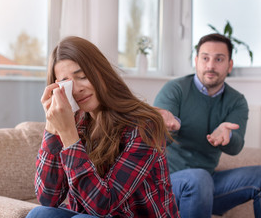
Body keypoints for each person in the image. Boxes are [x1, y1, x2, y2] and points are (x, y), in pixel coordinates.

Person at [26, 36, 180, 218]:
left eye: (82, 76)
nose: (76, 90)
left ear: (101, 72)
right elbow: (48, 199)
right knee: (40, 214)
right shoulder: (77, 122)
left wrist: (69, 135)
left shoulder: (145, 124)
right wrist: (52, 128)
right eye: (66, 83)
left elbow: (102, 206)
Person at [154, 33, 261, 218]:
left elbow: (236, 146)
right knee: (198, 178)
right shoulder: (175, 89)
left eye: (219, 59)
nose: (210, 65)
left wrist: (227, 136)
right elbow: (154, 139)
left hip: (208, 182)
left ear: (229, 65)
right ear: (197, 60)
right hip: (168, 183)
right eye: (205, 58)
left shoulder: (236, 101)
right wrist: (169, 125)